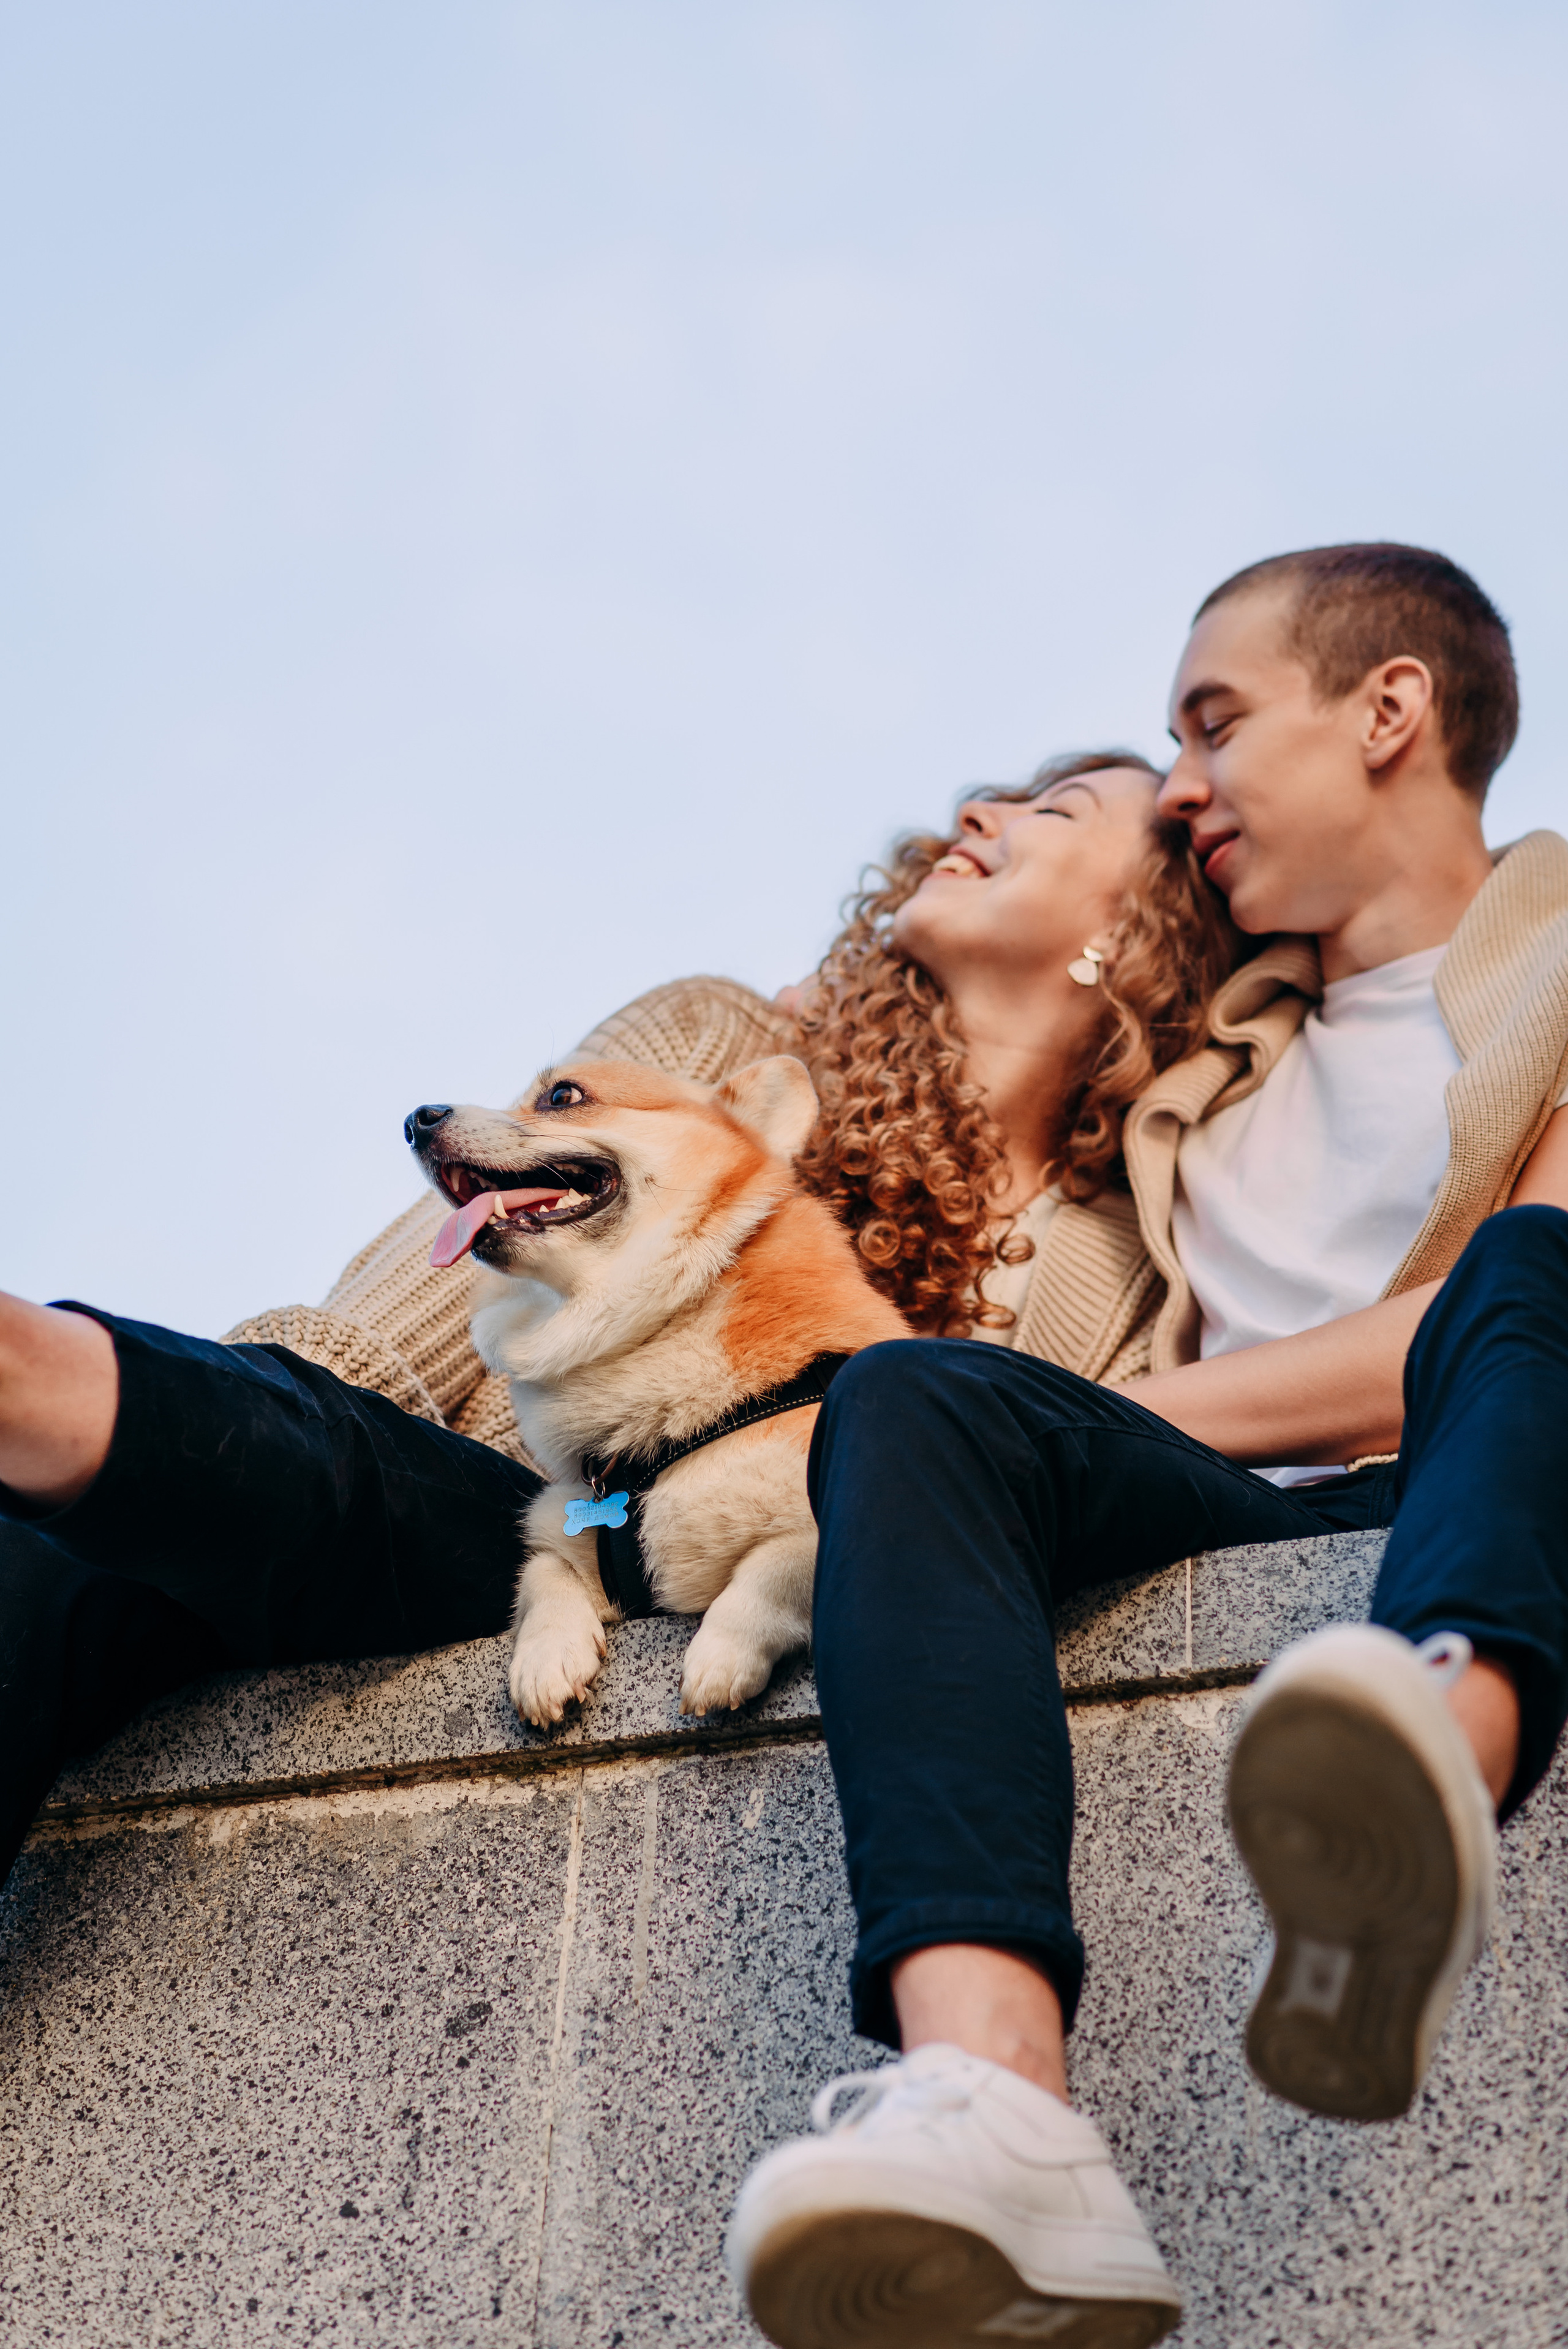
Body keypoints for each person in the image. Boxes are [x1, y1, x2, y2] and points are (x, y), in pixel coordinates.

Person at [725, 543, 1568, 2349]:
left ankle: (1440, 1750)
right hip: (1212, 1505)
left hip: (1467, 1473)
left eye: (1215, 721)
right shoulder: (1203, 1059)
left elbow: (1485, 1325)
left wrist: (1106, 1420)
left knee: (1531, 1270)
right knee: (914, 1399)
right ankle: (999, 2104)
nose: (1180, 783)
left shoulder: (1560, 962)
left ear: (1391, 713)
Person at [0, 752, 1237, 1895]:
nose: (976, 814)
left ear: (1136, 937)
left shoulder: (1127, 1269)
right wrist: (232, 1432)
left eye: (1054, 808)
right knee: (84, 1560)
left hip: (742, 1671)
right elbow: (418, 1306)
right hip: (475, 1516)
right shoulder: (716, 1041)